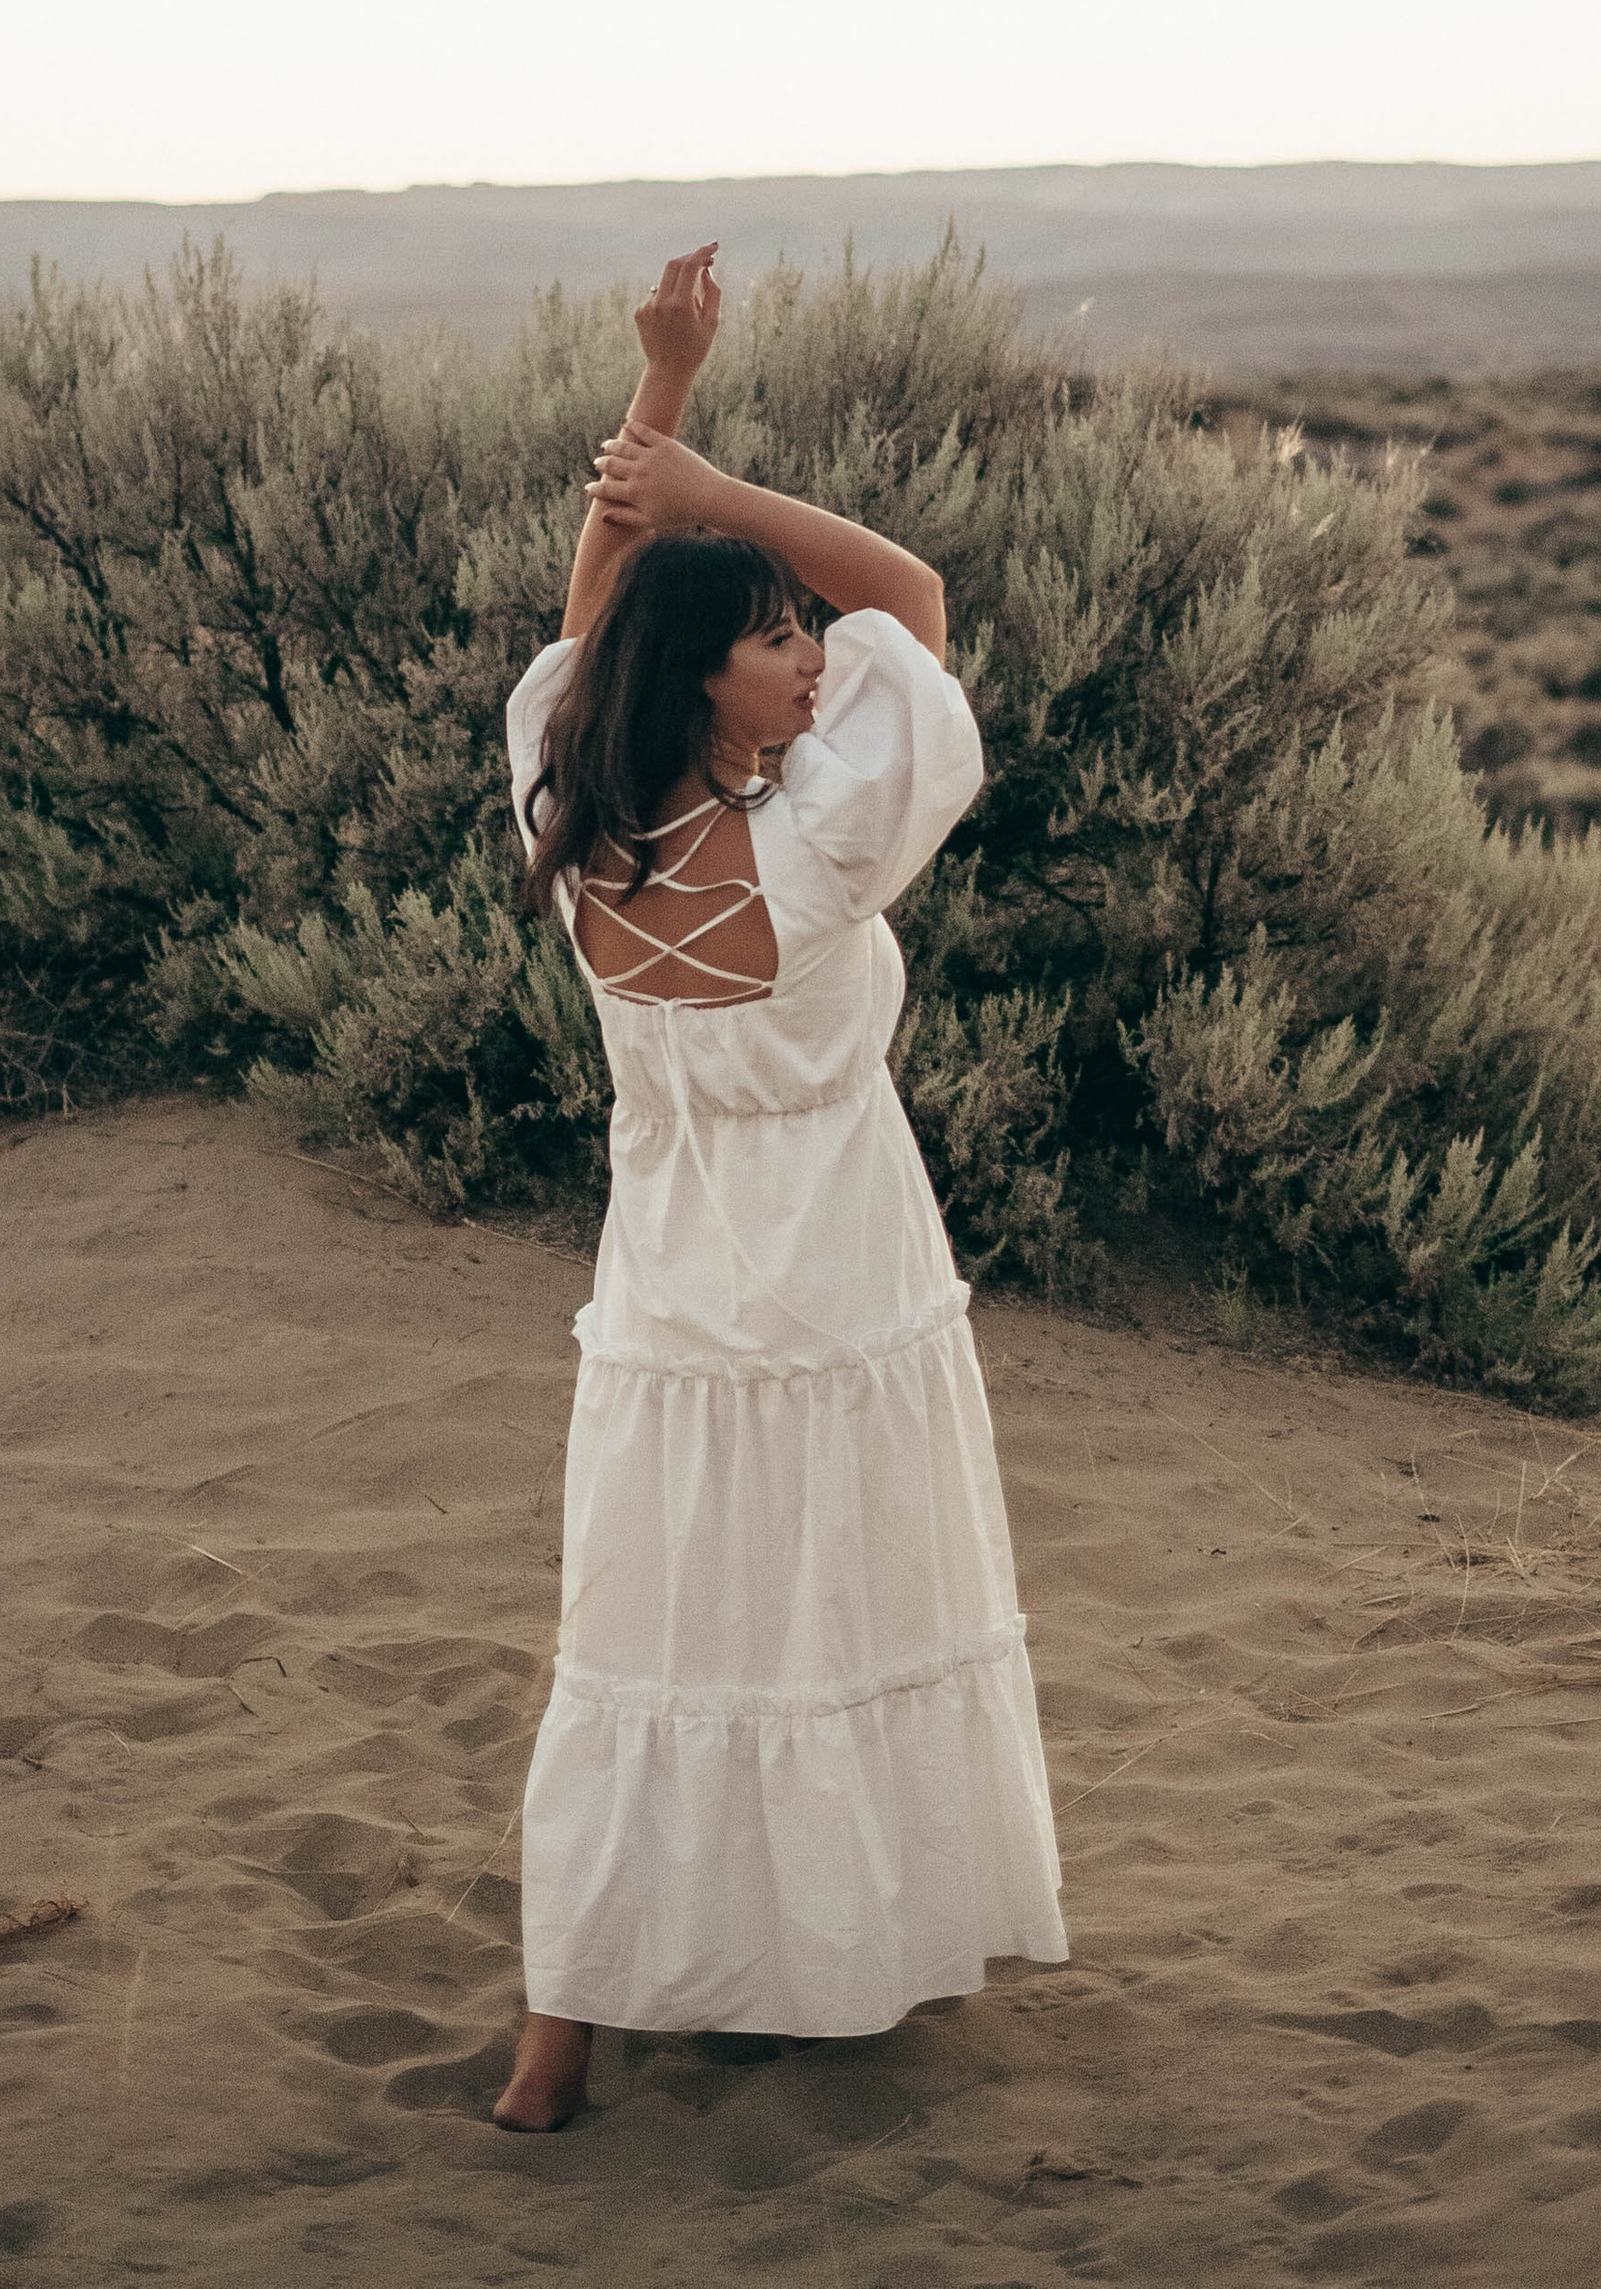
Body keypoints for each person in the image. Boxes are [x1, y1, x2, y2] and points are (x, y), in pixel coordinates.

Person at [493, 244, 1065, 2134]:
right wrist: (718, 491)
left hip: (665, 1279)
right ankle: (825, 1953)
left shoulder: (572, 818)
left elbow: (593, 627)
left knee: (647, 1621)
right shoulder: (816, 854)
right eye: (773, 641)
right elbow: (914, 589)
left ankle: (556, 2034)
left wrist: (658, 403)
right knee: (816, 1599)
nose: (818, 654)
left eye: (801, 636)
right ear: (714, 687)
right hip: (831, 1264)